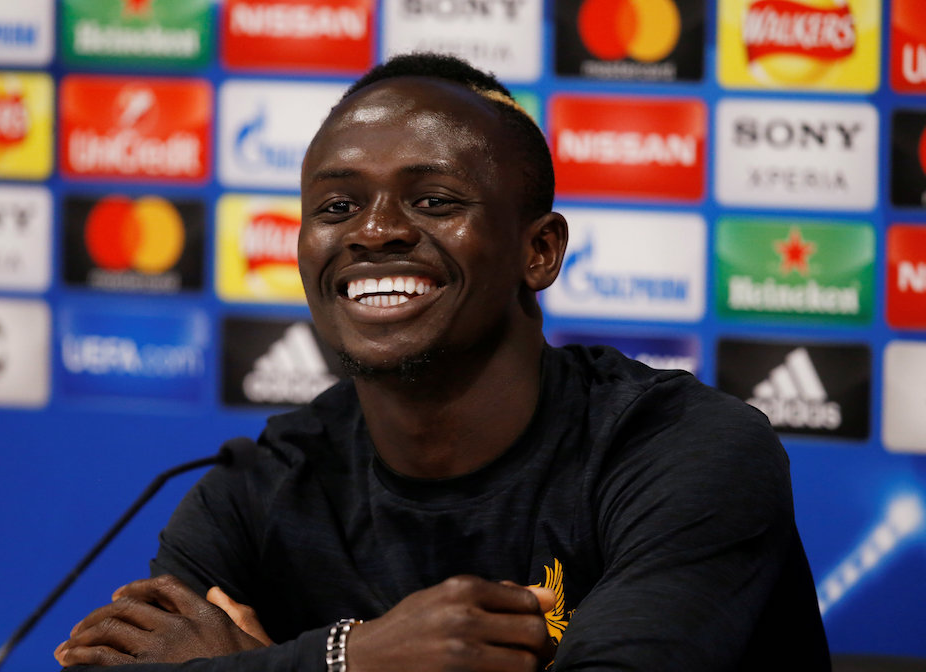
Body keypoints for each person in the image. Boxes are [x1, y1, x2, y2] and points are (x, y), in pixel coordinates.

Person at [53, 53, 831, 671]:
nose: (374, 230)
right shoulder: (256, 489)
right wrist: (350, 659)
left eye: (434, 200)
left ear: (539, 251)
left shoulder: (683, 451)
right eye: (336, 207)